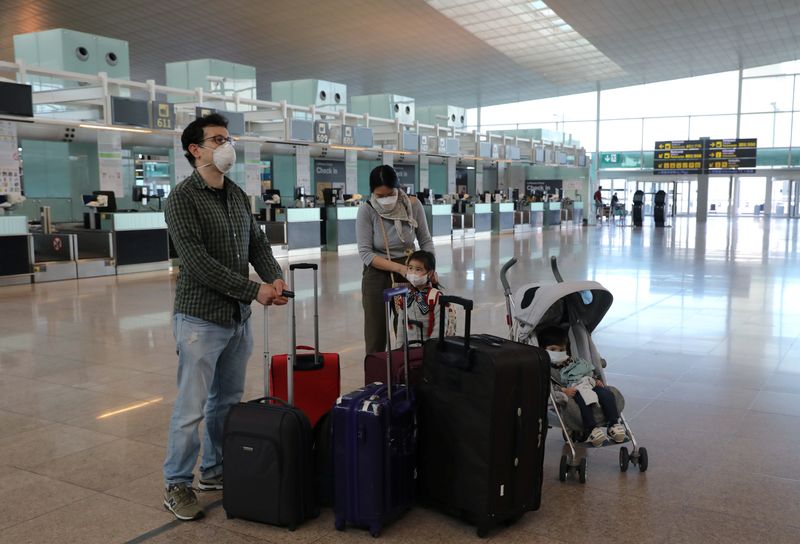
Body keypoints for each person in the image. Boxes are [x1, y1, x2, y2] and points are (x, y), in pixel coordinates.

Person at [162, 113, 289, 521]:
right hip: (199, 319)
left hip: (237, 319)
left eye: (228, 138)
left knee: (226, 402)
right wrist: (255, 291)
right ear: (195, 150)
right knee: (191, 407)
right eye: (218, 139)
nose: (226, 145)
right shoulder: (181, 199)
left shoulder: (236, 194)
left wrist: (274, 275)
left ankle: (215, 469)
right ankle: (177, 483)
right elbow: (197, 263)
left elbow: (256, 241)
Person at [357, 165, 435, 354]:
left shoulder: (413, 205)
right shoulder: (367, 210)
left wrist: (431, 269)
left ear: (398, 188)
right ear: (372, 192)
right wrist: (400, 269)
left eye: (389, 194)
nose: (385, 199)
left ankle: (406, 373)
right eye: (380, 196)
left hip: (411, 270)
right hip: (377, 272)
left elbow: (425, 240)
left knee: (408, 329)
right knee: (375, 333)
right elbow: (366, 253)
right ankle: (375, 377)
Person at [538, 326, 626, 447]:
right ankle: (592, 429)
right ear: (543, 349)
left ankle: (613, 423)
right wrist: (563, 390)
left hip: (587, 384)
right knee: (582, 397)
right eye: (553, 349)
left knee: (606, 393)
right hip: (573, 391)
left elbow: (586, 372)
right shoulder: (544, 368)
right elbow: (548, 386)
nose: (557, 353)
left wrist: (596, 380)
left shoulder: (572, 361)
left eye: (561, 350)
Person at [394, 250, 453, 344]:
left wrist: (431, 348)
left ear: (429, 273)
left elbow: (440, 327)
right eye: (410, 268)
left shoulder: (436, 297)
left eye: (418, 269)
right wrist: (399, 347)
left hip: (429, 349)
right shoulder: (405, 296)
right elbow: (401, 326)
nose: (413, 273)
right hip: (408, 350)